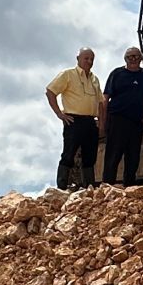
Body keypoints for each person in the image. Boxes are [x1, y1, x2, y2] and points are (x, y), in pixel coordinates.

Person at [46, 47, 102, 189]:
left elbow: (101, 101)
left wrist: (100, 121)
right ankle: (62, 187)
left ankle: (89, 188)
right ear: (78, 59)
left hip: (90, 121)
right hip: (73, 120)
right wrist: (59, 113)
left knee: (90, 156)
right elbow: (50, 91)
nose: (89, 61)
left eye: (91, 59)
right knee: (69, 154)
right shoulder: (68, 74)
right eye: (86, 58)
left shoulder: (95, 79)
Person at [100, 46, 143, 186]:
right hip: (117, 119)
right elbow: (105, 98)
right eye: (130, 57)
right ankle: (107, 185)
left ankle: (129, 186)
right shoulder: (117, 74)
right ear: (125, 59)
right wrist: (102, 121)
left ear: (141, 58)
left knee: (133, 156)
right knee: (113, 154)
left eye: (136, 56)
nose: (133, 59)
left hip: (136, 121)